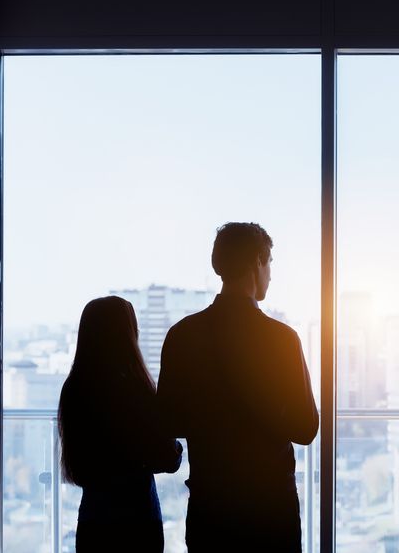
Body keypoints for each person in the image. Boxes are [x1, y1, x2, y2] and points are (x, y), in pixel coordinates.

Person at [157, 222, 319, 552]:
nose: (271, 273)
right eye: (270, 261)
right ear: (256, 262)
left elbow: (167, 421)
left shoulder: (182, 335)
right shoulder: (281, 339)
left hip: (210, 505)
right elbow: (306, 428)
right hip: (270, 507)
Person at [58, 296, 183, 552]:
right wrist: (177, 447)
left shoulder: (73, 390)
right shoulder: (135, 389)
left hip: (94, 519)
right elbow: (167, 459)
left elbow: (77, 464)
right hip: (138, 519)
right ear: (128, 335)